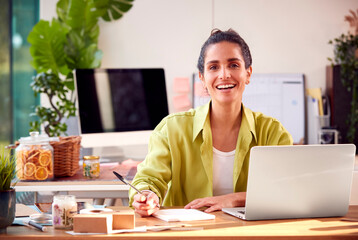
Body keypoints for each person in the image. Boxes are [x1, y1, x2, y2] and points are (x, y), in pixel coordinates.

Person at [129, 28, 293, 217]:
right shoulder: (172, 129)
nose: (224, 75)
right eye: (213, 67)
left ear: (248, 73)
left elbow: (285, 190)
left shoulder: (273, 132)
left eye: (233, 65)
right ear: (202, 77)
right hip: (188, 234)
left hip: (250, 233)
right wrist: (147, 196)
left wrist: (234, 199)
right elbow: (148, 179)